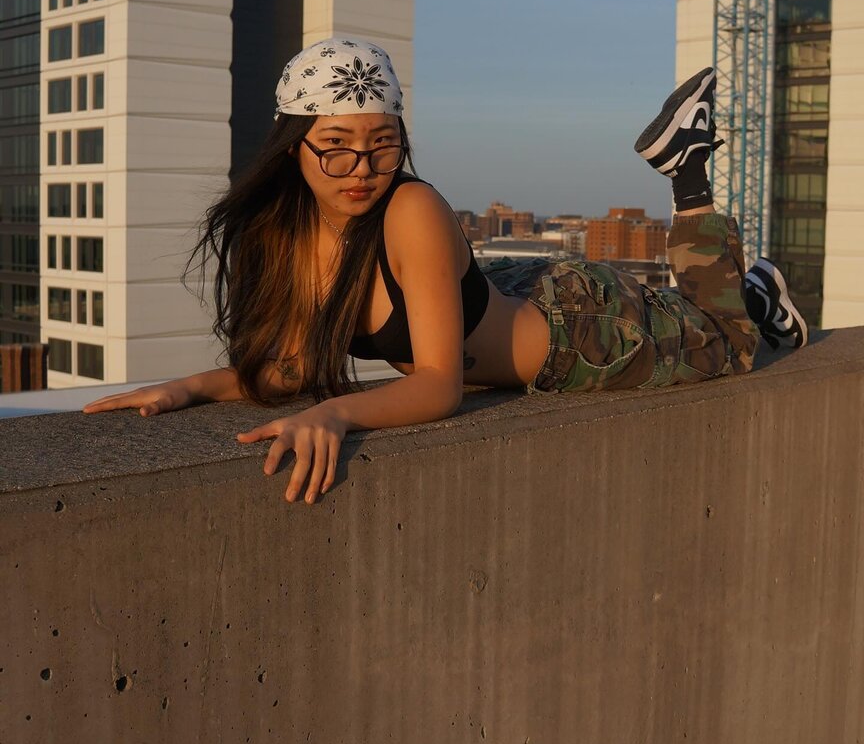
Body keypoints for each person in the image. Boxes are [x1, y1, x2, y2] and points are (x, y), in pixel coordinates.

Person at [82, 39, 808, 504]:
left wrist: (335, 413)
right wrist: (188, 389)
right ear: (292, 145)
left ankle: (691, 180)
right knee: (707, 325)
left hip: (580, 336)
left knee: (730, 344)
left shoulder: (412, 208)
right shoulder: (290, 233)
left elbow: (438, 385)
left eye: (382, 142)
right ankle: (749, 289)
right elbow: (292, 369)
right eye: (335, 144)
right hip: (508, 303)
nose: (361, 168)